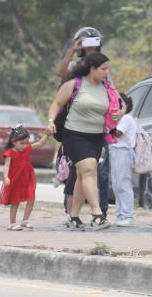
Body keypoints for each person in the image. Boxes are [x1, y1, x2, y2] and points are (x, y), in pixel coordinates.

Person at [46, 52, 117, 231]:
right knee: (89, 170)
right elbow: (56, 104)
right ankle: (97, 215)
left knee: (81, 174)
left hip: (96, 137)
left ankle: (74, 216)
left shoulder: (106, 87)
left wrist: (120, 114)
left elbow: (119, 105)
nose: (107, 72)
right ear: (92, 69)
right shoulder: (74, 84)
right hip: (75, 135)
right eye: (103, 69)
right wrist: (50, 122)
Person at [0, 125, 49, 231]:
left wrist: (47, 135)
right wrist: (5, 177)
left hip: (28, 177)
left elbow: (40, 143)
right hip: (15, 179)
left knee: (31, 198)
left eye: (27, 143)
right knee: (15, 202)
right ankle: (12, 223)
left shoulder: (27, 148)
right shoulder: (10, 153)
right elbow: (6, 166)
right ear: (13, 141)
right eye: (22, 143)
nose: (25, 146)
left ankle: (25, 220)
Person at [109, 93, 137, 227]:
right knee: (116, 184)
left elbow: (116, 134)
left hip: (123, 151)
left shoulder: (126, 118)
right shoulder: (118, 119)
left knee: (123, 183)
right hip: (115, 151)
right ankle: (120, 214)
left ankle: (128, 214)